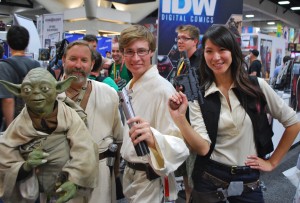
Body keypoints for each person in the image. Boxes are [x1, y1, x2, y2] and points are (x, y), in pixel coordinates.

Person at [168, 25, 300, 203]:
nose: (216, 57)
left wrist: (273, 162)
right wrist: (180, 119)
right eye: (209, 51)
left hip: (249, 182)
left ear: (233, 51)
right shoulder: (199, 94)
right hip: (209, 179)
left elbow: (293, 123)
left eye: (222, 49)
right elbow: (203, 148)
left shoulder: (256, 87)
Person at [0, 68, 98, 203]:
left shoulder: (70, 117)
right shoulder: (19, 125)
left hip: (64, 186)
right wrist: (26, 165)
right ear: (19, 92)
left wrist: (75, 180)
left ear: (58, 88)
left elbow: (85, 147)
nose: (35, 93)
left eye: (44, 88)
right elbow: (5, 153)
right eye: (28, 89)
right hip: (35, 192)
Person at [118, 24, 189, 203]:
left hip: (151, 178)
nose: (135, 58)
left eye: (141, 51)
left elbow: (179, 145)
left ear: (151, 52)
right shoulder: (129, 86)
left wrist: (153, 137)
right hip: (131, 173)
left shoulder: (163, 90)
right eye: (129, 52)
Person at [60, 40, 123, 203]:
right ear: (63, 60)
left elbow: (120, 138)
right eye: (73, 59)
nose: (78, 65)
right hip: (61, 174)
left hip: (100, 174)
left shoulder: (108, 93)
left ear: (92, 64)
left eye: (84, 60)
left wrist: (115, 173)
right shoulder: (47, 95)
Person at [173, 24, 201, 203]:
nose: (179, 41)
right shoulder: (183, 62)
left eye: (184, 38)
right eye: (178, 38)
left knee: (193, 174)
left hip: (197, 125)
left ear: (195, 41)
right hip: (183, 121)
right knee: (185, 172)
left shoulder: (201, 63)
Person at [0, 25, 40, 129]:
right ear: (27, 43)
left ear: (8, 43)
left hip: (15, 123)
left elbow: (8, 100)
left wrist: (10, 129)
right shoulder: (36, 64)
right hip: (32, 121)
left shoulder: (4, 66)